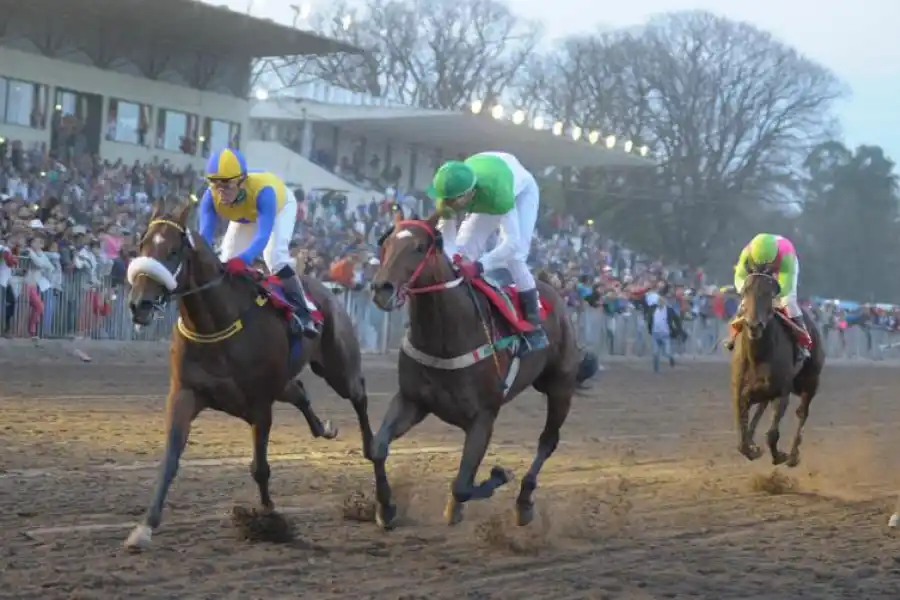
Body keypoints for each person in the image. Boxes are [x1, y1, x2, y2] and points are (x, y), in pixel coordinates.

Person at [429, 151, 548, 352]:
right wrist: (456, 262)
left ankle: (533, 326)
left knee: (515, 259)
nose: (452, 206)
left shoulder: (497, 196)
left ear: (469, 193)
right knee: (463, 250)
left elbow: (512, 243)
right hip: (487, 176)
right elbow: (448, 243)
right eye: (448, 201)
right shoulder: (447, 193)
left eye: (456, 201)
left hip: (518, 189)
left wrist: (480, 266)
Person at [199, 148, 318, 338]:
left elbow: (262, 237)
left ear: (241, 180)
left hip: (280, 206)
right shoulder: (209, 197)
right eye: (214, 184)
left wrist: (245, 258)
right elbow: (204, 238)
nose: (221, 192)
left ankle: (305, 313)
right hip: (246, 216)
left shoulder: (264, 192)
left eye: (227, 185)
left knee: (274, 257)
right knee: (226, 258)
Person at [725, 233, 811, 358]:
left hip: (782, 270)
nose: (763, 266)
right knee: (746, 302)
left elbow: (786, 286)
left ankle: (802, 343)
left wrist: (772, 298)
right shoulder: (747, 253)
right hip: (757, 275)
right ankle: (732, 337)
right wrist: (746, 292)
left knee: (789, 303)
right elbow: (739, 276)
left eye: (767, 263)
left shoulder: (786, 255)